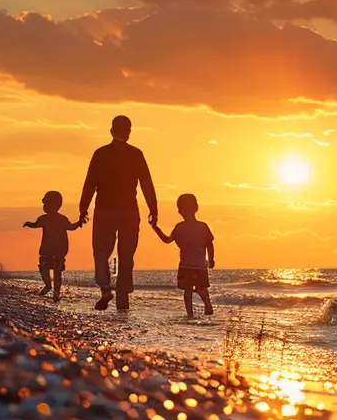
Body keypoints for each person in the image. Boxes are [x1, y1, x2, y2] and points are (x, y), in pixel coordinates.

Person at [76, 115, 158, 311]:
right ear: (128, 133)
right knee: (126, 254)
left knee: (101, 252)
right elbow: (146, 183)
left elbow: (90, 183)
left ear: (112, 131)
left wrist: (83, 208)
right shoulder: (135, 154)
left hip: (106, 210)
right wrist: (153, 209)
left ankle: (106, 289)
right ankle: (122, 295)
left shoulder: (101, 153)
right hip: (127, 211)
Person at [151, 193, 215, 318]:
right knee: (201, 288)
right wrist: (211, 259)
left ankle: (190, 314)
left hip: (186, 265)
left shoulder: (180, 227)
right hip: (200, 265)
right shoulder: (203, 226)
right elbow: (209, 244)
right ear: (196, 208)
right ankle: (207, 304)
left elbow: (167, 240)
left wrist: (156, 228)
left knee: (188, 290)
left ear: (179, 211)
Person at [22, 190, 83, 303]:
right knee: (50, 270)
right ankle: (52, 289)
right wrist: (29, 224)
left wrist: (78, 223)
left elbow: (70, 227)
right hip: (53, 249)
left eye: (46, 203)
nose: (44, 205)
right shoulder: (48, 218)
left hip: (54, 249)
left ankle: (53, 290)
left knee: (50, 269)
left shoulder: (55, 219)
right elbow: (70, 227)